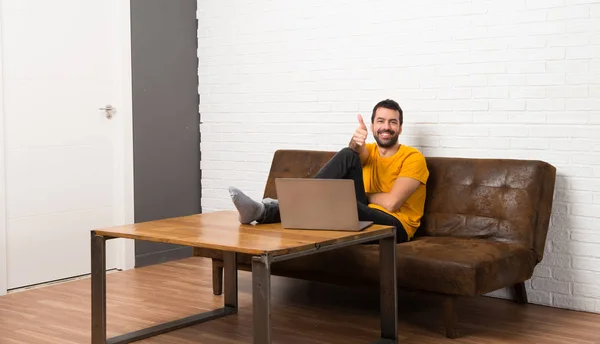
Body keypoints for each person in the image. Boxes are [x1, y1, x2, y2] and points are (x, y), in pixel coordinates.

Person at [228, 99, 429, 242]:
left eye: (393, 122)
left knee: (344, 205)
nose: (386, 127)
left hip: (397, 226)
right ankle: (265, 210)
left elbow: (392, 203)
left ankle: (265, 210)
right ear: (372, 126)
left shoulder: (413, 158)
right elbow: (357, 152)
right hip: (363, 215)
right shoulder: (370, 151)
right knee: (347, 154)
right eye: (381, 121)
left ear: (400, 128)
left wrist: (355, 197)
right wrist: (355, 142)